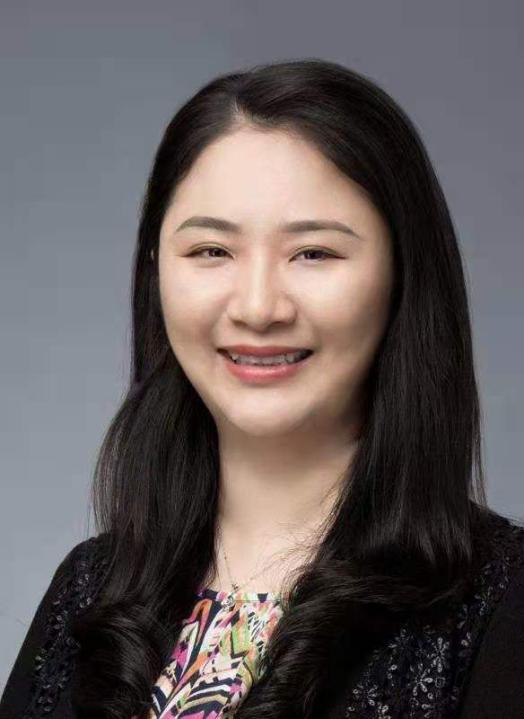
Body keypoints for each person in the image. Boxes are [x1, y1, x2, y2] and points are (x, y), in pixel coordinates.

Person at [1, 58, 523, 719]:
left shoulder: (499, 601)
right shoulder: (87, 592)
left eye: (314, 253)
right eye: (211, 251)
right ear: (156, 271)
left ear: (402, 275)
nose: (257, 307)